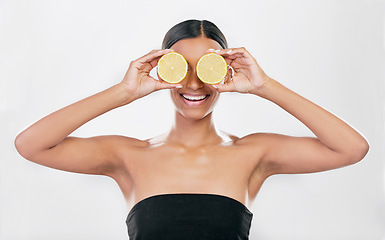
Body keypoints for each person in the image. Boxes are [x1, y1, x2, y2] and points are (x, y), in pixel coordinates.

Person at [14, 19, 369, 240]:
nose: (194, 83)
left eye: (208, 67)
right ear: (162, 69)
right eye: (180, 67)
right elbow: (30, 145)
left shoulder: (254, 153)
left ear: (226, 71)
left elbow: (351, 148)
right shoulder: (126, 155)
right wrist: (122, 92)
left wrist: (265, 86)